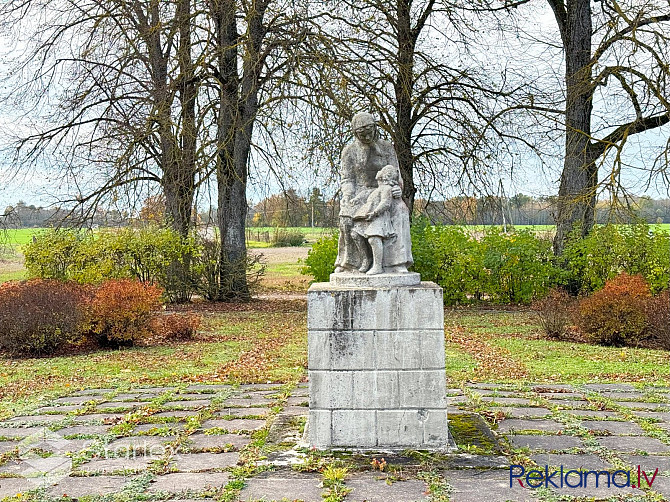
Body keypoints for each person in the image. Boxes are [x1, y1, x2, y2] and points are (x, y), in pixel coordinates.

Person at [334, 112, 413, 274]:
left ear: (375, 128)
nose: (367, 136)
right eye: (362, 134)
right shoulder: (349, 151)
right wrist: (347, 195)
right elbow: (347, 179)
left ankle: (396, 263)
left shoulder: (386, 147)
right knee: (346, 216)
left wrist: (397, 188)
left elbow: (396, 173)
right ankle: (349, 263)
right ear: (355, 133)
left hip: (384, 191)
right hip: (360, 193)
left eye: (370, 132)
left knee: (401, 210)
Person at [352, 165, 398, 275]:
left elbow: (385, 203)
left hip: (379, 218)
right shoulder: (377, 189)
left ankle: (378, 266)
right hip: (369, 218)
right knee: (355, 234)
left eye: (381, 172)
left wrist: (375, 212)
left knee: (373, 239)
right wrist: (357, 201)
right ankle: (366, 259)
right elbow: (367, 196)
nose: (378, 173)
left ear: (385, 176)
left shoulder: (386, 189)